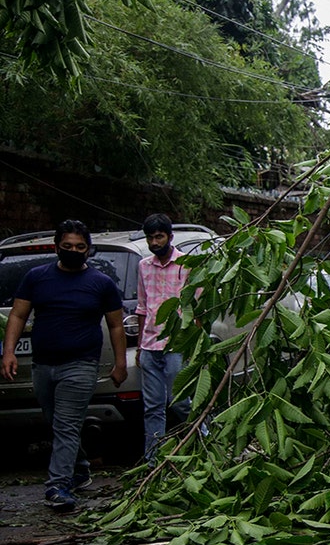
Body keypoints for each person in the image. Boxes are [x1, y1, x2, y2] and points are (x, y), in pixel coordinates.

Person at [1, 220, 127, 511]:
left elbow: (116, 325)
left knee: (67, 424)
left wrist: (120, 363)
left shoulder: (101, 284)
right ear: (57, 246)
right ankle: (80, 467)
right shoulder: (36, 278)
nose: (73, 251)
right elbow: (18, 316)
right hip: (43, 364)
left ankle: (58, 485)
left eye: (80, 247)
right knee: (58, 423)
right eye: (68, 246)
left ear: (88, 250)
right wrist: (8, 352)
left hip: (81, 364)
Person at [135, 214, 192, 464]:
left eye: (159, 237)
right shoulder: (144, 266)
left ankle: (203, 443)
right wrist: (139, 347)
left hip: (177, 345)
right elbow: (142, 307)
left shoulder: (187, 264)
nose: (154, 242)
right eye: (150, 237)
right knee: (153, 408)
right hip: (149, 346)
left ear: (170, 237)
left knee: (180, 403)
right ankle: (152, 460)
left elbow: (196, 307)